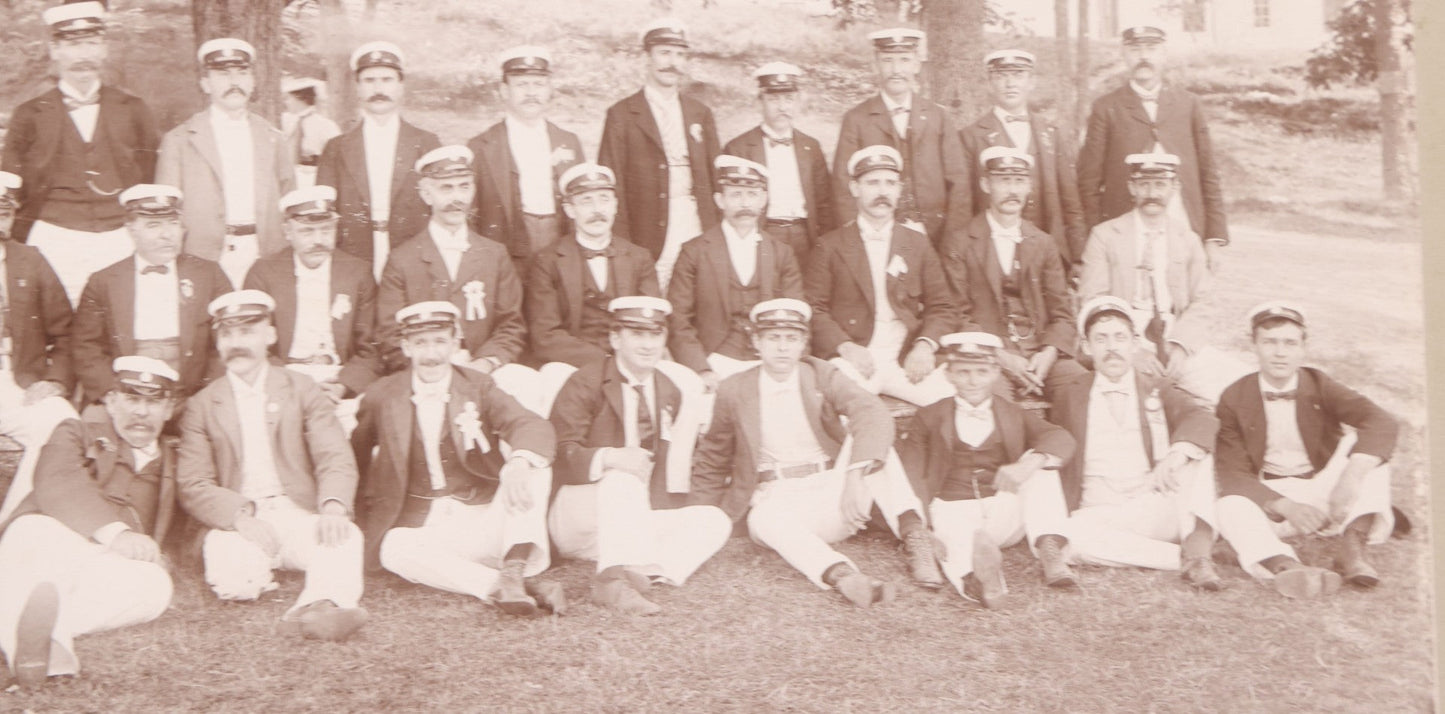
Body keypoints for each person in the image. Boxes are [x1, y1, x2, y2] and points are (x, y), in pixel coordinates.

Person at [691, 298, 941, 603]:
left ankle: (917, 539)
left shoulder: (820, 373)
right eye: (773, 338)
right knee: (763, 520)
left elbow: (871, 411)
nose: (783, 348)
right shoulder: (734, 389)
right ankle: (841, 575)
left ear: (803, 343)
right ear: (756, 342)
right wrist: (701, 521)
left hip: (835, 495)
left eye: (791, 339)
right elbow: (713, 458)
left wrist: (853, 477)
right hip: (780, 496)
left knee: (877, 448)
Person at [177, 290, 367, 641]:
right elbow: (193, 483)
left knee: (345, 536)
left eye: (248, 332)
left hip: (297, 513)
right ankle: (265, 577)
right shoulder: (203, 404)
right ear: (218, 342)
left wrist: (333, 506)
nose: (237, 344)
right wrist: (238, 518)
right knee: (235, 579)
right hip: (242, 522)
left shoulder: (301, 387)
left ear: (270, 336)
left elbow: (334, 455)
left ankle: (317, 608)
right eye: (227, 334)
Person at [352, 301, 562, 616]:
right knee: (393, 548)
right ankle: (504, 586)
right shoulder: (382, 395)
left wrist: (518, 462)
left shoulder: (479, 386)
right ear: (406, 346)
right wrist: (356, 519)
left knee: (533, 468)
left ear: (455, 342)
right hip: (427, 528)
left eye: (440, 341)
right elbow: (356, 457)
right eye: (420, 343)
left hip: (482, 520)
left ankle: (515, 569)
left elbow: (530, 424)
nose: (432, 353)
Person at [0, 357, 179, 689]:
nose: (141, 412)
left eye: (153, 401)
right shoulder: (76, 431)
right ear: (111, 401)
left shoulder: (175, 458)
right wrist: (117, 533)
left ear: (169, 409)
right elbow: (57, 481)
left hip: (107, 564)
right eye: (132, 398)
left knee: (157, 587)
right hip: (53, 539)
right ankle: (43, 654)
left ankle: (34, 626)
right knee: (35, 533)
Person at [548, 297, 729, 615]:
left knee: (713, 520)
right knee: (623, 476)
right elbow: (559, 455)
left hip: (625, 519)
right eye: (637, 334)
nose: (648, 345)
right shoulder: (585, 382)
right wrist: (608, 457)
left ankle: (647, 570)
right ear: (615, 339)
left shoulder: (668, 389)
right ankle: (610, 585)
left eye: (655, 335)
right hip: (577, 516)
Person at [1214, 302, 1399, 598]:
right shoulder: (1233, 397)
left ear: (1303, 348)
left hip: (1324, 494)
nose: (1280, 352)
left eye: (1290, 343)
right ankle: (1286, 566)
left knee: (1366, 451)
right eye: (1269, 342)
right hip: (1272, 500)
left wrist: (1349, 480)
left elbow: (1381, 421)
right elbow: (1232, 474)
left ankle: (1352, 550)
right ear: (1254, 345)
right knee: (1227, 505)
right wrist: (1285, 506)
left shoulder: (1319, 383)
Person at [1047, 296, 1225, 590]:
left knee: (1196, 456)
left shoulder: (1154, 387)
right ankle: (1187, 558)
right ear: (1087, 348)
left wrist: (1175, 456)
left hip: (1151, 503)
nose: (1112, 348)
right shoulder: (1070, 394)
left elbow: (1203, 418)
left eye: (1120, 338)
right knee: (1071, 538)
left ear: (1134, 344)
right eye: (1101, 339)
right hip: (1099, 511)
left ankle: (1194, 551)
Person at [899, 333, 1076, 607]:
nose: (972, 381)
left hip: (1002, 510)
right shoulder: (929, 416)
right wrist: (922, 527)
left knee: (1041, 464)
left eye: (982, 372)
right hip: (952, 509)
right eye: (964, 372)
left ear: (995, 373)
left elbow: (1060, 437)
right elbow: (911, 474)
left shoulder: (1011, 412)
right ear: (948, 375)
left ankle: (1050, 547)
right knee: (959, 540)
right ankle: (978, 582)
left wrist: (1029, 463)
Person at [2, 1, 159, 306]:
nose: (83, 56)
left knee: (122, 321)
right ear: (54, 50)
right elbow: (10, 187)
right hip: (54, 238)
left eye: (91, 43)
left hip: (119, 237)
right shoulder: (29, 114)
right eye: (73, 45)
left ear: (103, 49)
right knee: (59, 329)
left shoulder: (134, 110)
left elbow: (148, 172)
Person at [1078, 153, 1250, 404]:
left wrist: (1180, 345)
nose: (1152, 193)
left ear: (1174, 188)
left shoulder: (1187, 239)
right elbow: (1093, 300)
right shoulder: (1105, 236)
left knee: (1243, 389)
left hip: (1173, 337)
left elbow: (1204, 301)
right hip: (1123, 339)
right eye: (1144, 184)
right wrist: (1131, 350)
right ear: (1132, 187)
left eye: (1160, 185)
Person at [806, 145, 959, 407]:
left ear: (900, 190)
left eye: (890, 183)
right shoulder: (830, 246)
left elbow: (943, 306)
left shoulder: (917, 243)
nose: (882, 192)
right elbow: (813, 309)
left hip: (905, 359)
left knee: (951, 404)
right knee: (845, 407)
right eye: (872, 183)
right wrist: (845, 347)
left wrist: (924, 346)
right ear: (855, 188)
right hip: (855, 357)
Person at [1077, 26, 1228, 272]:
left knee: (1180, 298)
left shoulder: (1188, 105)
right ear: (1124, 54)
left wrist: (1213, 237)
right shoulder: (1106, 108)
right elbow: (1088, 182)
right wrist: (1092, 240)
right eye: (1135, 49)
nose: (1143, 56)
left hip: (1182, 223)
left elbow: (1208, 172)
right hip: (1125, 227)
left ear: (1164, 54)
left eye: (1151, 49)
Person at [942, 146, 1083, 400]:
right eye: (1004, 181)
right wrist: (1000, 356)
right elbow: (956, 312)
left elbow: (1062, 314)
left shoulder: (1043, 243)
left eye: (1019, 181)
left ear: (1029, 187)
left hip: (1041, 354)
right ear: (986, 184)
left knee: (1080, 386)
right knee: (990, 398)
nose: (1013, 190)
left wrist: (1048, 353)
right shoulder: (960, 242)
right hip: (988, 356)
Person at [72, 184, 230, 406]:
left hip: (193, 396)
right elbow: (86, 348)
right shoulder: (103, 282)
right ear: (131, 229)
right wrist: (111, 395)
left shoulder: (209, 274)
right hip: (127, 397)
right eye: (153, 225)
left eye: (173, 223)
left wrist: (206, 396)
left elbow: (227, 342)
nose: (167, 235)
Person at [376, 146, 527, 377]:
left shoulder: (495, 254)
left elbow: (511, 325)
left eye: (464, 187)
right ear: (426, 195)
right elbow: (391, 334)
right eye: (446, 188)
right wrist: (437, 369)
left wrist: (485, 363)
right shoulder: (402, 260)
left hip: (483, 368)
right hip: (425, 371)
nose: (457, 198)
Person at [156, 38, 295, 287]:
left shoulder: (273, 138)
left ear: (252, 82)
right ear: (206, 84)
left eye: (242, 73)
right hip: (204, 257)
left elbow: (289, 202)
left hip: (264, 254)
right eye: (223, 74)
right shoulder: (179, 140)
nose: (234, 83)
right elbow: (168, 213)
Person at [597, 18, 720, 290]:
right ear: (647, 58)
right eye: (664, 53)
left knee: (698, 292)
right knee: (654, 295)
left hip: (695, 221)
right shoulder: (622, 114)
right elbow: (611, 184)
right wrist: (623, 243)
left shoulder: (700, 113)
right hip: (649, 227)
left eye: (679, 55)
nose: (672, 63)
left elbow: (715, 178)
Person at [667, 155, 803, 388]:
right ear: (720, 200)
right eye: (736, 195)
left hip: (769, 360)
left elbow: (796, 316)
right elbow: (677, 320)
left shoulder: (781, 253)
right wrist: (701, 369)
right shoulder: (694, 251)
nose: (745, 204)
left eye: (752, 195)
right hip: (716, 360)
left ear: (763, 199)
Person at [242, 185, 380, 405]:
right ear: (287, 231)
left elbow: (370, 348)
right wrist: (293, 384)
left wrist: (341, 387)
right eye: (307, 231)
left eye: (326, 230)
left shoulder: (357, 272)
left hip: (339, 379)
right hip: (283, 379)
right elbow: (254, 345)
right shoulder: (264, 273)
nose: (318, 240)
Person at [315, 41, 441, 281]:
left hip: (412, 254)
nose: (378, 89)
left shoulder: (426, 143)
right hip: (354, 255)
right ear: (358, 88)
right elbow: (325, 214)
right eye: (369, 81)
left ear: (401, 86)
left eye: (387, 80)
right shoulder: (336, 148)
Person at [832, 28, 968, 246]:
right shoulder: (856, 119)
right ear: (875, 66)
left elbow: (959, 184)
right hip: (877, 237)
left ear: (916, 65)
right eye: (887, 60)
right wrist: (858, 242)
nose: (896, 70)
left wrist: (951, 242)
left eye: (904, 60)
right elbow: (842, 188)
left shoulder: (938, 117)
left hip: (934, 236)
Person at [0, 173, 80, 524]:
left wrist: (55, 381)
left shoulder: (30, 261)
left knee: (61, 421)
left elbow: (66, 332)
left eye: (4, 212)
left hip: (17, 384)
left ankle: (13, 522)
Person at [524, 163, 658, 371]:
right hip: (571, 365)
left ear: (615, 205)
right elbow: (545, 335)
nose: (597, 210)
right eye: (586, 201)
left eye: (604, 199)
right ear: (570, 209)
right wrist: (605, 361)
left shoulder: (639, 258)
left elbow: (650, 323)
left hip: (629, 362)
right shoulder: (547, 261)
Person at [959, 49, 1086, 268]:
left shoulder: (1051, 135)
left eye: (1018, 75)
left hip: (1049, 253)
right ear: (989, 84)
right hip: (993, 254)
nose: (1010, 83)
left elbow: (1070, 201)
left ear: (1031, 82)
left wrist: (1077, 257)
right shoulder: (971, 137)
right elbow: (964, 205)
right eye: (1001, 76)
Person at [468, 45, 585, 276]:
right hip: (507, 251)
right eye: (521, 84)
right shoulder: (481, 146)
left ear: (549, 89)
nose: (531, 93)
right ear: (504, 90)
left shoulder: (568, 142)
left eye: (539, 84)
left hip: (559, 246)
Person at [720, 62, 836, 265]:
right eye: (773, 99)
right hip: (762, 233)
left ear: (797, 102)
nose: (782, 107)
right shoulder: (739, 148)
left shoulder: (811, 147)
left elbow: (824, 203)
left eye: (788, 99)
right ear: (760, 102)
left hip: (804, 235)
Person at [279, 76, 341, 189]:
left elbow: (337, 158)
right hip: (288, 180)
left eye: (288, 98)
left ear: (299, 97)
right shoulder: (286, 121)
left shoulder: (325, 125)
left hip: (312, 180)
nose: (285, 103)